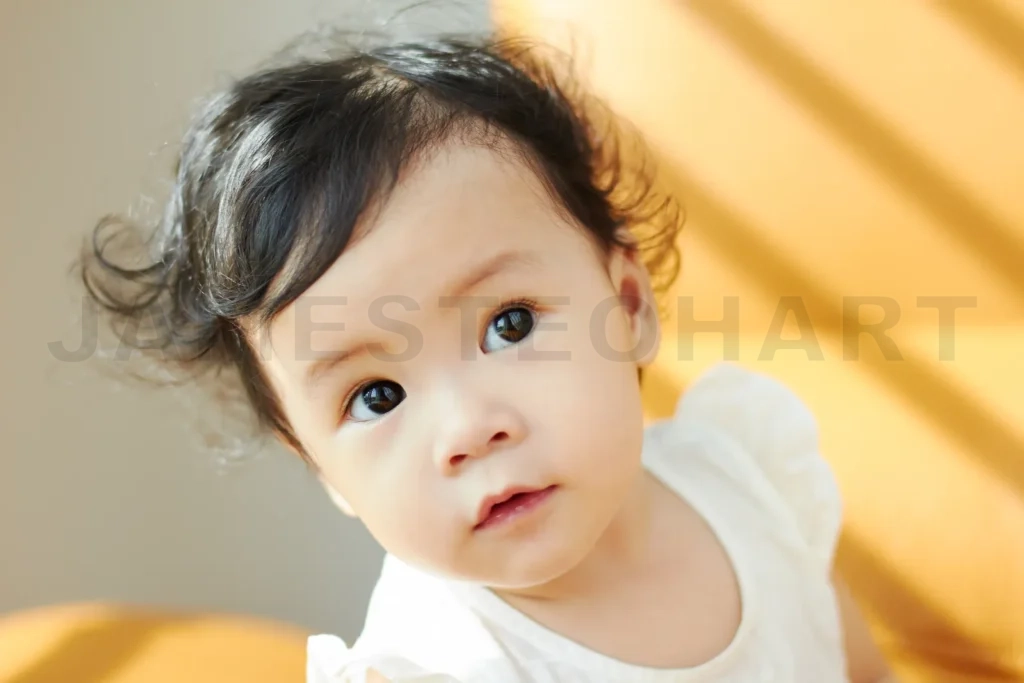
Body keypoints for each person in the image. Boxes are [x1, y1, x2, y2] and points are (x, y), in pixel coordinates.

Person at [81, 29, 896, 683]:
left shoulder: (744, 478)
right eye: (377, 396)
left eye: (507, 324)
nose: (469, 429)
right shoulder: (440, 663)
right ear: (325, 470)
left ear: (627, 307)